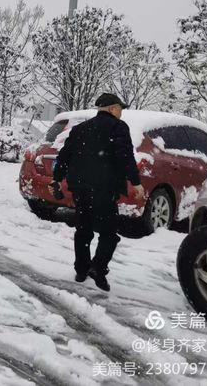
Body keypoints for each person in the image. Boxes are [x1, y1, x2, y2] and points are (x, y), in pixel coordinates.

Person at [51, 93, 145, 291]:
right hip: (105, 188)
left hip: (80, 187)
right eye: (120, 109)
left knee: (83, 229)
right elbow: (125, 155)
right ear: (112, 108)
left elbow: (65, 155)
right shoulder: (118, 127)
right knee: (109, 233)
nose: (121, 113)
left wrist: (57, 178)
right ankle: (98, 268)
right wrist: (135, 182)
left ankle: (81, 269)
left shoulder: (80, 129)